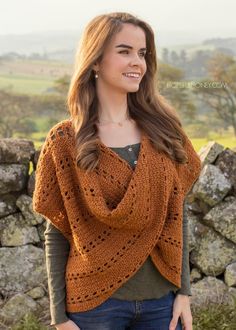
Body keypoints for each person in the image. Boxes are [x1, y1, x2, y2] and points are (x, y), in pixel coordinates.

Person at [33, 12, 201, 330]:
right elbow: (57, 232)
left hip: (162, 303)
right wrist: (59, 318)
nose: (137, 62)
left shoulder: (165, 132)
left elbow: (176, 215)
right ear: (95, 61)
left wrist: (184, 293)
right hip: (93, 307)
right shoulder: (65, 141)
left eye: (143, 53)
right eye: (124, 51)